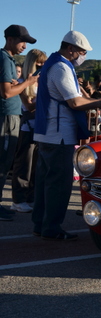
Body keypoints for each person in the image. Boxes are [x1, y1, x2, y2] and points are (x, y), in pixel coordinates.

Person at [32, 30, 101, 240]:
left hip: (48, 133)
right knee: (58, 184)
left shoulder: (54, 64)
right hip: (58, 135)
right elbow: (75, 102)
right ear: (71, 49)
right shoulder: (61, 68)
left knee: (45, 182)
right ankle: (51, 227)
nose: (83, 56)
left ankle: (41, 224)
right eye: (82, 51)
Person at [0, 24, 38, 221]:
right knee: (3, 161)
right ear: (11, 39)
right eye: (23, 41)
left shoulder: (8, 59)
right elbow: (6, 93)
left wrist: (20, 83)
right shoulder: (5, 59)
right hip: (7, 117)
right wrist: (27, 83)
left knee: (6, 162)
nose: (24, 45)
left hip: (12, 116)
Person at [10, 49, 47, 213]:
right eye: (39, 63)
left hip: (40, 127)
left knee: (36, 166)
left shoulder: (41, 82)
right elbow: (29, 106)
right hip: (26, 127)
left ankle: (31, 196)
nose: (42, 66)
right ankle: (18, 199)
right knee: (24, 163)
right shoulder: (22, 82)